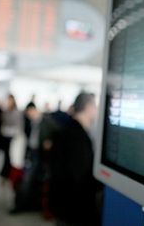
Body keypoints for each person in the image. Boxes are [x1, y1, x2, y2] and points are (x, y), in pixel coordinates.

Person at [50, 93, 101, 226]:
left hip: (63, 204)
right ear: (89, 107)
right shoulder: (78, 137)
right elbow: (80, 176)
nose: (96, 110)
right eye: (95, 106)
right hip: (74, 208)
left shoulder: (67, 130)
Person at [11, 102, 43, 213]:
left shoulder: (43, 122)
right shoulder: (31, 123)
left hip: (38, 155)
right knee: (26, 180)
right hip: (31, 154)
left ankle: (24, 205)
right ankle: (24, 204)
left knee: (28, 180)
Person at [0, 94, 23, 178]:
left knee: (11, 156)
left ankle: (8, 173)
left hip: (12, 137)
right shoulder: (6, 111)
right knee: (5, 155)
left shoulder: (16, 112)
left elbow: (18, 125)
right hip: (5, 136)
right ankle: (4, 171)